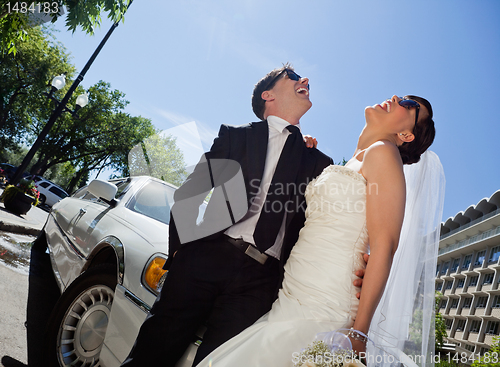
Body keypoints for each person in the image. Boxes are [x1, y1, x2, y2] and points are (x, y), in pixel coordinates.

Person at [121, 65, 368, 367]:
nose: (305, 81)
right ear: (268, 96)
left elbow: (318, 224)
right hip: (205, 257)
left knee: (218, 362)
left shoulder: (319, 162)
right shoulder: (236, 137)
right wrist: (181, 253)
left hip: (261, 281)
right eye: (293, 77)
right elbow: (192, 192)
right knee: (150, 356)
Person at [195, 94, 444, 366]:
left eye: (410, 106)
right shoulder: (357, 160)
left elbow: (385, 245)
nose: (396, 98)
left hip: (325, 301)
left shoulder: (384, 152)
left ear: (406, 134)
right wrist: (299, 150)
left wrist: (359, 333)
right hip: (293, 291)